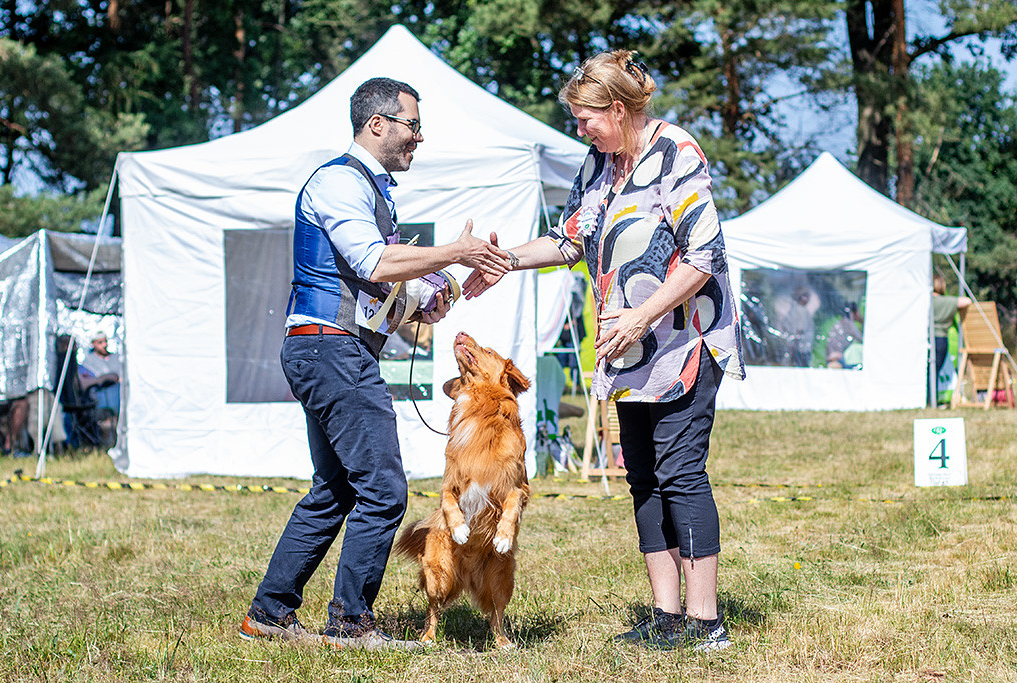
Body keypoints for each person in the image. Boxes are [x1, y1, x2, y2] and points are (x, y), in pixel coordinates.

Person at [463, 50, 744, 651]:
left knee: (680, 473)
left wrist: (644, 316)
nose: (581, 129)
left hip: (681, 341)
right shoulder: (599, 164)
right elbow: (571, 240)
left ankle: (706, 623)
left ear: (619, 109)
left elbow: (702, 256)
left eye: (587, 118)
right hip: (627, 346)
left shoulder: (677, 154)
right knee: (641, 475)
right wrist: (504, 260)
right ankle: (666, 618)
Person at [239, 77, 512, 650]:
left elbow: (377, 285)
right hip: (330, 347)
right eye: (412, 125)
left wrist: (430, 297)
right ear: (377, 124)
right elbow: (372, 259)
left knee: (334, 491)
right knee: (383, 489)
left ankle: (269, 616)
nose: (419, 136)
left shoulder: (373, 190)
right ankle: (350, 625)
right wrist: (452, 254)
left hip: (332, 346)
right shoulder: (339, 180)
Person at [931, 273, 972, 401]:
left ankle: (928, 398)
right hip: (941, 339)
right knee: (935, 371)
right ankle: (930, 399)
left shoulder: (924, 300)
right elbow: (966, 301)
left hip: (925, 339)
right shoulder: (945, 301)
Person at [78, 332, 122, 447]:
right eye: (100, 342)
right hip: (100, 398)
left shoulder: (116, 359)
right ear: (93, 344)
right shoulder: (88, 362)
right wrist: (104, 378)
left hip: (118, 395)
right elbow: (84, 383)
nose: (104, 345)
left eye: (105, 341)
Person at [825, 302, 863, 369]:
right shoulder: (849, 324)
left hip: (831, 356)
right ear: (854, 313)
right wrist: (862, 321)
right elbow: (861, 339)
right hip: (839, 358)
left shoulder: (838, 323)